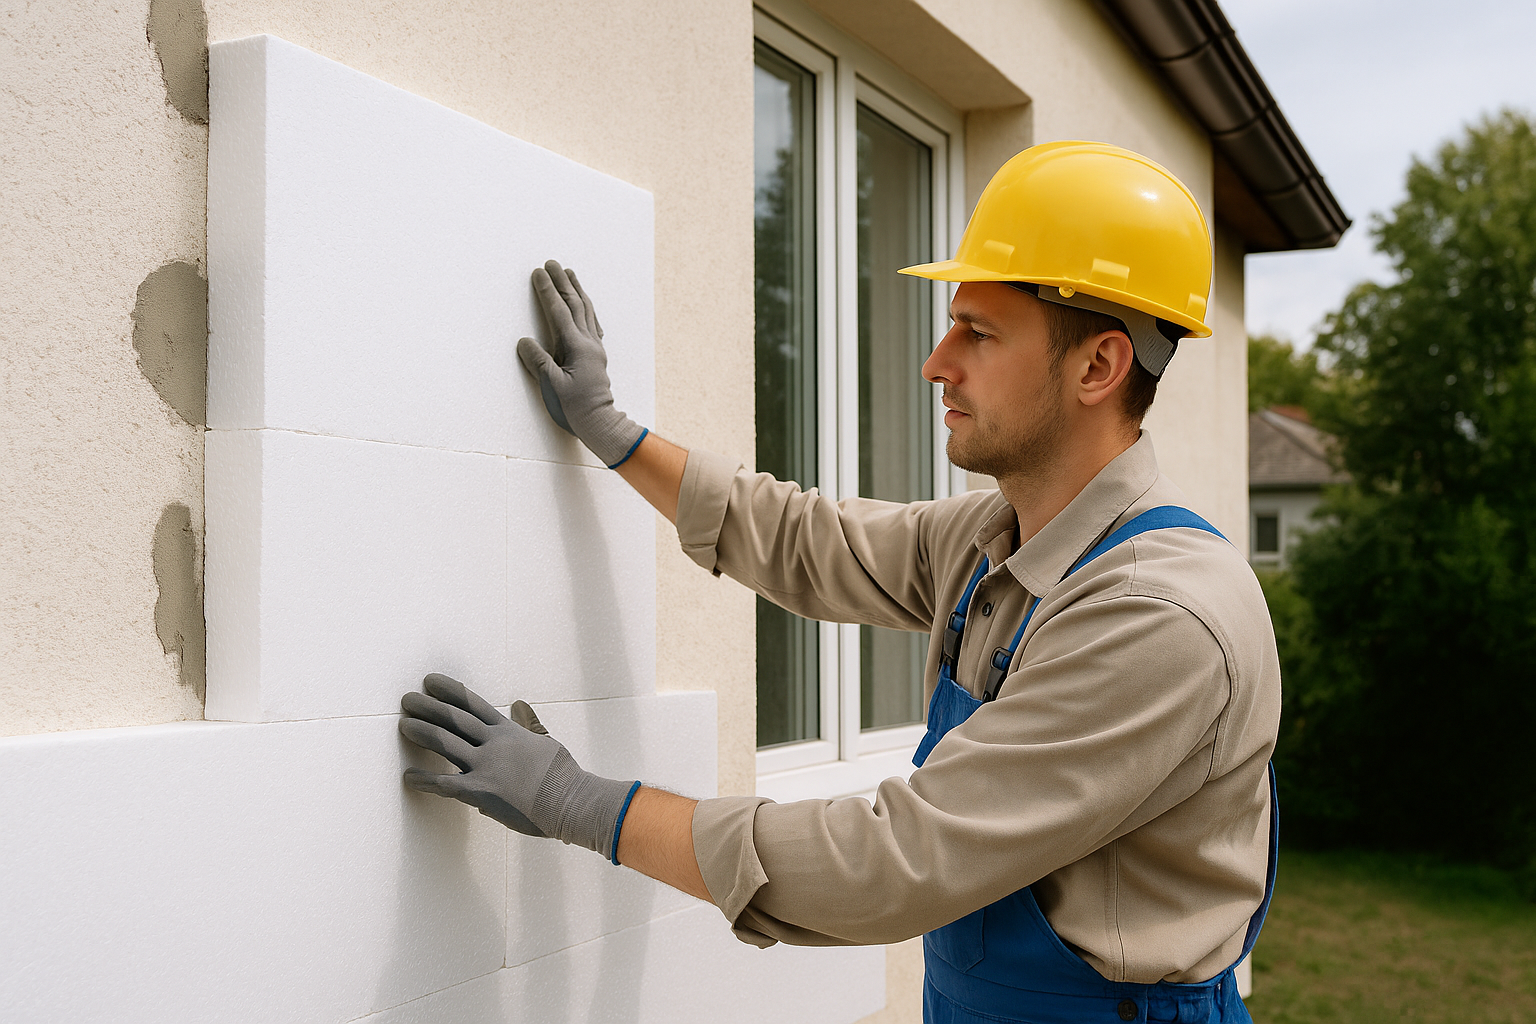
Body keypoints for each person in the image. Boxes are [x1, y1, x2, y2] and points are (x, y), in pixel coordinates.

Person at [397, 141, 1281, 1024]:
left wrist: (573, 801)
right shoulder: (998, 538)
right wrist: (615, 433)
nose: (938, 362)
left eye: (978, 332)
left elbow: (892, 862)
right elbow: (813, 540)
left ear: (1099, 367)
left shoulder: (1157, 617)